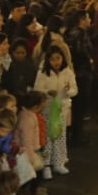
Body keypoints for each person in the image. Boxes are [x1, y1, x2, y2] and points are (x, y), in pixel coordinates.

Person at [33, 47, 77, 176]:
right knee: (46, 139)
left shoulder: (68, 72)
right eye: (52, 59)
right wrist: (47, 93)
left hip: (61, 110)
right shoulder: (43, 73)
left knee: (59, 137)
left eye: (58, 58)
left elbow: (74, 90)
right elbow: (37, 90)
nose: (56, 62)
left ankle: (58, 163)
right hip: (46, 110)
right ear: (48, 60)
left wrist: (68, 91)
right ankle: (46, 165)